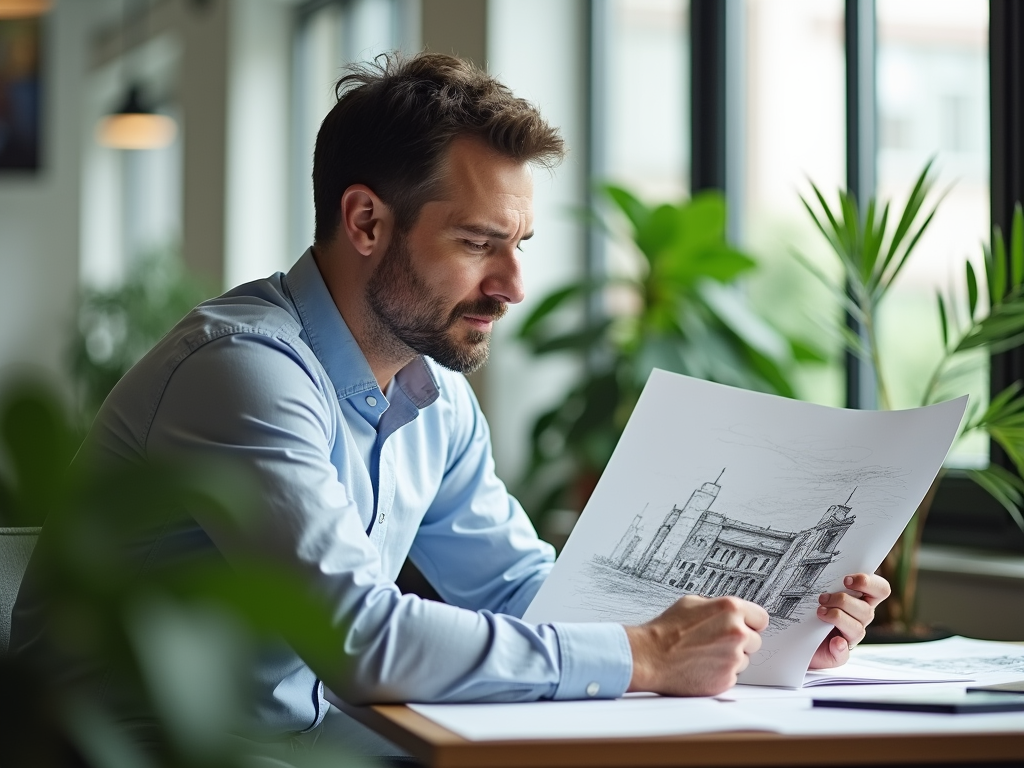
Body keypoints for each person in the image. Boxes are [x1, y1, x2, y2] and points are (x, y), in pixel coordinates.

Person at [13, 52, 889, 753]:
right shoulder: (243, 373)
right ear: (365, 223)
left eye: (519, 245)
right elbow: (362, 641)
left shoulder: (435, 396)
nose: (512, 286)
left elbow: (521, 591)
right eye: (478, 244)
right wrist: (647, 653)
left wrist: (762, 636)